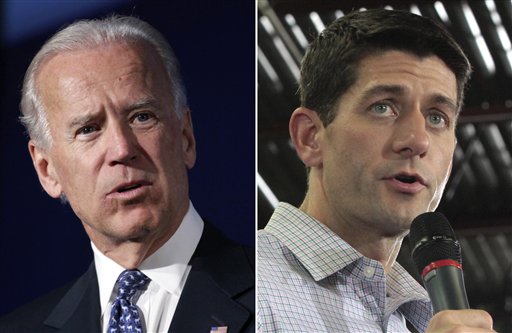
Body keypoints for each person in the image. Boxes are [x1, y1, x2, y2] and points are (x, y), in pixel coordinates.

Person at [0, 15, 254, 333]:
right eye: (88, 129)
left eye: (142, 117)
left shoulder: (277, 298)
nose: (122, 149)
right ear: (47, 170)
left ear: (186, 137)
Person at [257, 9, 494, 333]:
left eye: (437, 117)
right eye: (383, 107)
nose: (417, 139)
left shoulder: (418, 318)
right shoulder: (246, 285)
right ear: (310, 137)